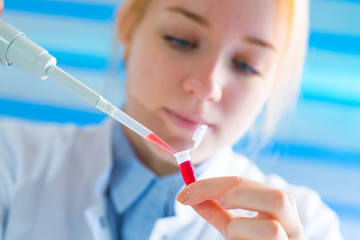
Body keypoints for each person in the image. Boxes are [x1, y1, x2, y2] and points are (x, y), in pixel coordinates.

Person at [0, 0, 343, 239]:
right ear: (129, 34)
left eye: (246, 65)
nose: (207, 87)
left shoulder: (308, 226)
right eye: (181, 40)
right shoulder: (11, 160)